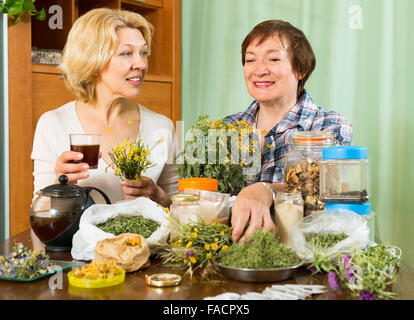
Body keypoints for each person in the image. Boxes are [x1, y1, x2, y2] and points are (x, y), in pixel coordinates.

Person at [31, 8, 178, 207]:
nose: (141, 64)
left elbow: (179, 208)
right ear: (93, 61)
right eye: (126, 53)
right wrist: (62, 186)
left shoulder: (162, 126)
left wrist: (157, 195)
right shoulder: (53, 124)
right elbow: (39, 212)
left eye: (143, 53)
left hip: (145, 239)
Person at [225, 20, 352, 242]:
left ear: (301, 69)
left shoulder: (329, 127)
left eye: (273, 59)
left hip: (304, 256)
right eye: (250, 60)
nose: (259, 70)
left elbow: (320, 189)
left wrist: (266, 190)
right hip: (235, 254)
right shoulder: (228, 128)